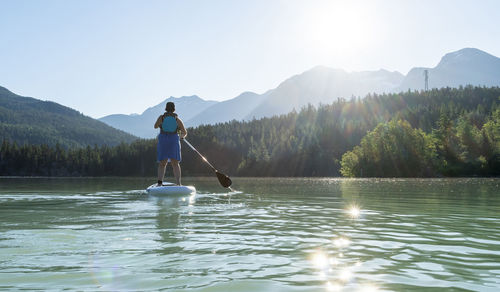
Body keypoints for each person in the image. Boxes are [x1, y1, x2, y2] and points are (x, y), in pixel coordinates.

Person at [154, 102, 187, 186]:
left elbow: (155, 126)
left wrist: (161, 123)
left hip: (163, 140)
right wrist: (181, 136)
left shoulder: (161, 118)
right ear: (174, 109)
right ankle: (179, 183)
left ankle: (159, 183)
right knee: (175, 163)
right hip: (174, 140)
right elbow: (184, 132)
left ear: (166, 108)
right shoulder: (177, 119)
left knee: (162, 163)